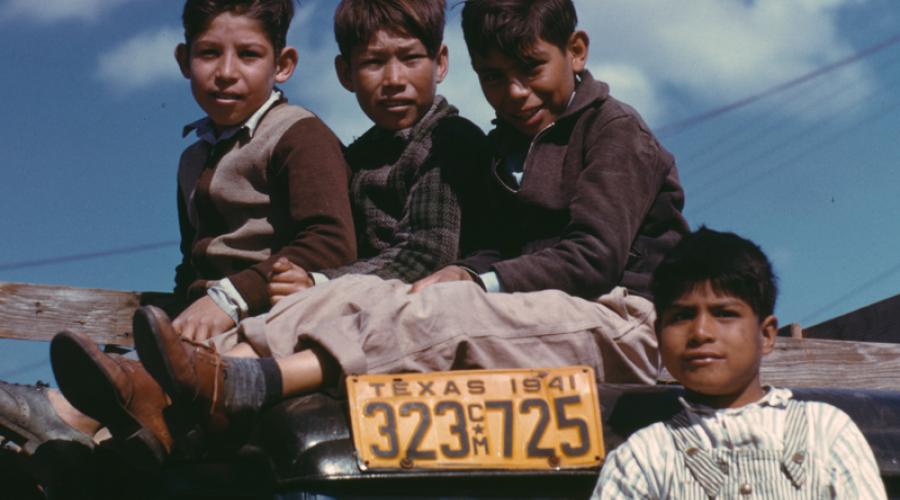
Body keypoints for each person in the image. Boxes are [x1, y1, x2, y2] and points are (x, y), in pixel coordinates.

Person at [54, 0, 687, 458]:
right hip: (544, 313)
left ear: (576, 51)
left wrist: (472, 275)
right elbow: (500, 246)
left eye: (531, 69)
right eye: (494, 77)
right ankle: (142, 405)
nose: (515, 92)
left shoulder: (613, 132)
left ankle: (249, 379)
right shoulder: (509, 146)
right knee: (353, 293)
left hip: (621, 317)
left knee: (439, 308)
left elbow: (595, 256)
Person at [0, 0, 356, 461]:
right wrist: (176, 314)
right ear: (184, 61)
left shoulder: (299, 136)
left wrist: (231, 297)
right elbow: (191, 262)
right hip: (205, 330)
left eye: (248, 55)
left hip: (273, 319)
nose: (226, 72)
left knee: (138, 390)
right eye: (209, 54)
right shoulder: (194, 157)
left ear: (283, 65)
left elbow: (330, 242)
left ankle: (66, 415)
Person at [593, 227, 887, 499]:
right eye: (681, 316)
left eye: (724, 313)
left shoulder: (825, 432)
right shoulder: (643, 459)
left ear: (767, 334)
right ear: (659, 335)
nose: (700, 333)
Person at [264, 0, 489, 306]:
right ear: (345, 73)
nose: (394, 80)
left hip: (433, 304)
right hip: (367, 302)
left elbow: (426, 257)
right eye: (373, 62)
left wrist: (319, 285)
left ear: (440, 63)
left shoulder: (448, 141)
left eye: (410, 58)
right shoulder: (357, 156)